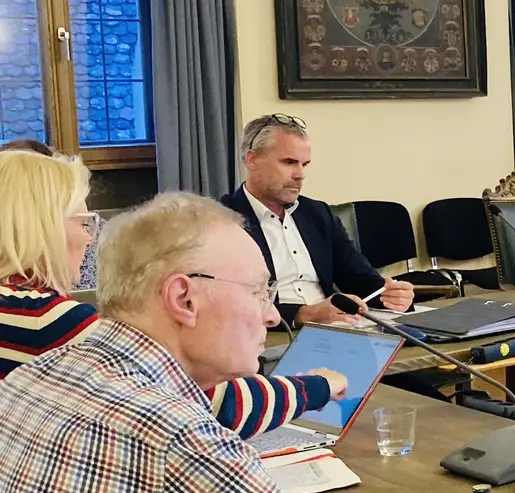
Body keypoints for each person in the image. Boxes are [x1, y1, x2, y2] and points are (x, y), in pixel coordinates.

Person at [0, 192, 389, 493]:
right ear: (183, 297)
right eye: (259, 291)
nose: (270, 314)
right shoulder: (173, 435)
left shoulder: (37, 376)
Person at [0, 150, 346, 437]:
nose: (89, 239)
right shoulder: (45, 321)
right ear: (39, 226)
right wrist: (318, 386)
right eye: (83, 222)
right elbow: (214, 405)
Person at [220, 114, 414, 328]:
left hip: (337, 329)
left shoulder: (317, 213)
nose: (300, 175)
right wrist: (303, 314)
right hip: (270, 334)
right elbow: (228, 301)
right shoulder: (223, 220)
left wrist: (390, 295)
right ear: (252, 159)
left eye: (304, 164)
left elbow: (360, 279)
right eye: (289, 162)